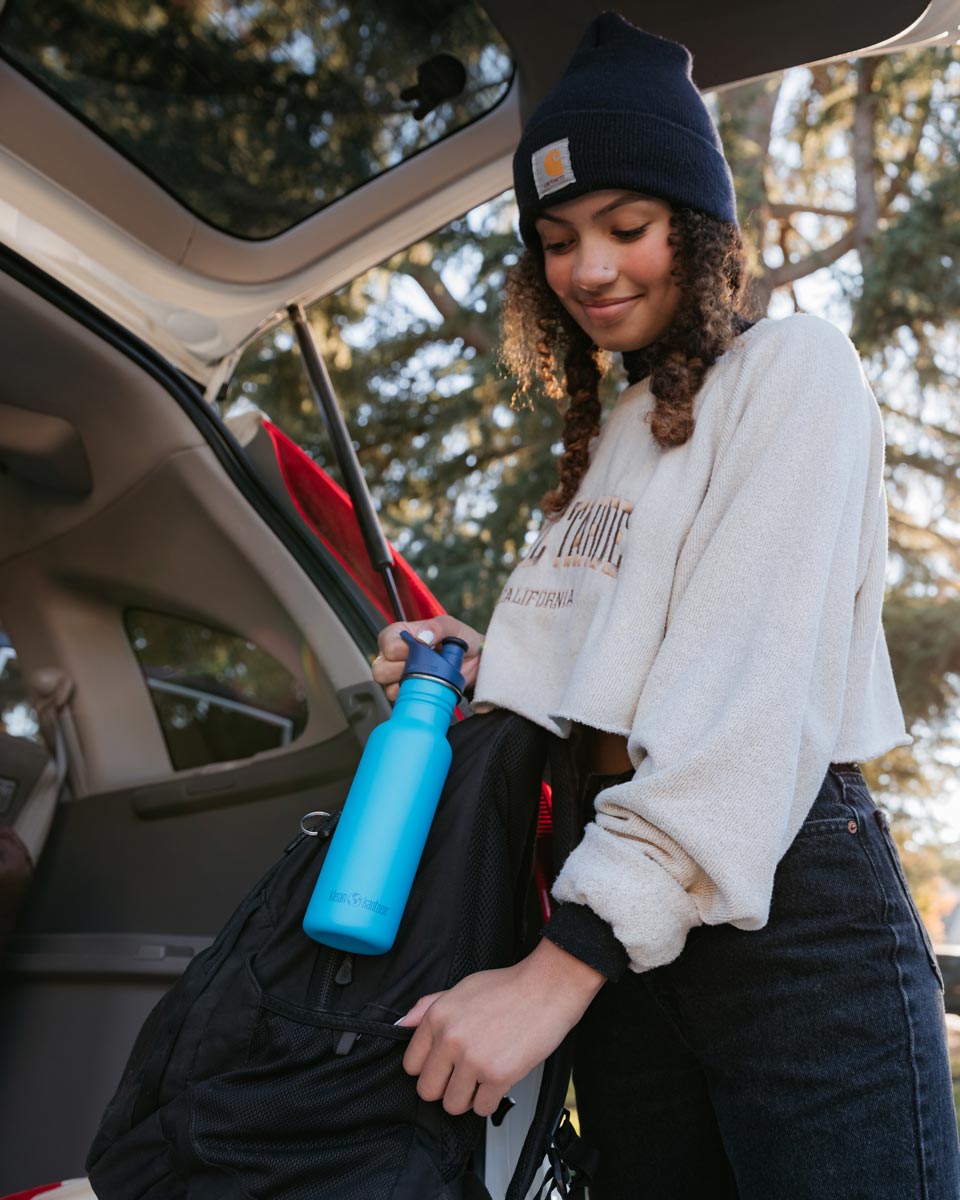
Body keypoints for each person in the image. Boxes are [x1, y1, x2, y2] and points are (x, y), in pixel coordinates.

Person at [373, 13, 960, 1198]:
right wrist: (483, 666)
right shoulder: (607, 439)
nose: (589, 269)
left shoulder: (794, 371)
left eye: (627, 227)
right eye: (555, 240)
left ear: (699, 230)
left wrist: (558, 969)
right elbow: (635, 670)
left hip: (782, 905)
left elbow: (743, 698)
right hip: (624, 912)